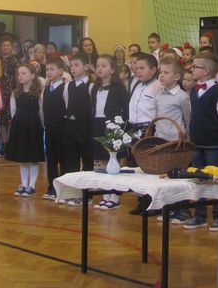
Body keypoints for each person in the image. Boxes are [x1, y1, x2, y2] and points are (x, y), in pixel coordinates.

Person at [184, 52, 218, 231]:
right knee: (198, 180)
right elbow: (192, 115)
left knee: (215, 180)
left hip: (213, 144)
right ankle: (200, 215)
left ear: (206, 71)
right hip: (197, 143)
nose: (192, 69)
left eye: (195, 67)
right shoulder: (193, 91)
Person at [152, 58, 191, 221]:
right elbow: (157, 116)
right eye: (160, 72)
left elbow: (187, 119)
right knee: (164, 177)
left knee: (178, 177)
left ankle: (183, 210)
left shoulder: (182, 97)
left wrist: (186, 140)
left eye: (166, 72)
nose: (161, 75)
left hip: (176, 142)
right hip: (161, 141)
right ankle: (168, 209)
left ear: (176, 77)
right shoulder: (158, 94)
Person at [91, 55, 129, 210]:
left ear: (112, 70)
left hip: (112, 126)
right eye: (98, 66)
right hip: (98, 124)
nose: (99, 68)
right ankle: (106, 195)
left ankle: (115, 197)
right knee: (102, 161)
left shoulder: (118, 88)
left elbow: (125, 109)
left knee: (113, 160)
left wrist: (122, 127)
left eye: (104, 66)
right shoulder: (95, 87)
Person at [127, 53, 161, 214]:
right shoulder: (136, 84)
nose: (138, 71)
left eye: (142, 68)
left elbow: (158, 110)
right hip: (135, 128)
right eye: (137, 67)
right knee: (138, 166)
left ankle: (153, 202)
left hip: (148, 129)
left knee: (150, 166)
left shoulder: (157, 86)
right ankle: (141, 200)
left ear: (153, 70)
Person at [5, 63, 45, 197]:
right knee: (22, 158)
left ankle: (31, 185)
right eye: (19, 74)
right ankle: (23, 183)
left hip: (33, 126)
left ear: (32, 75)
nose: (20, 76)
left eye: (24, 73)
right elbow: (13, 110)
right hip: (20, 125)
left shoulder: (38, 93)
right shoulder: (15, 93)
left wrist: (42, 125)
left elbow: (41, 111)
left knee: (33, 157)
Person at [62, 53, 94, 180]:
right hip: (70, 125)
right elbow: (67, 102)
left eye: (76, 65)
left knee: (86, 156)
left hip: (84, 125)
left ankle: (87, 187)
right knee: (71, 157)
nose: (73, 68)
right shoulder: (68, 86)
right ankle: (72, 185)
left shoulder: (91, 86)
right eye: (71, 66)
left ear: (86, 67)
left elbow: (92, 106)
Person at [41, 57, 68, 201]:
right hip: (49, 128)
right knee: (50, 159)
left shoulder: (65, 88)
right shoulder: (46, 89)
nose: (49, 72)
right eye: (47, 70)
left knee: (62, 158)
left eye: (52, 69)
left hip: (62, 129)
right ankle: (51, 186)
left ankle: (63, 187)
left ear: (61, 71)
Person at [0, 36, 19, 153]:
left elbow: (17, 76)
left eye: (8, 45)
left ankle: (12, 143)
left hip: (11, 92)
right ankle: (5, 143)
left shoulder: (15, 61)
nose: (6, 47)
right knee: (1, 119)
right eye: (3, 45)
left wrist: (16, 90)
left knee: (11, 118)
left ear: (11, 47)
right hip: (0, 92)